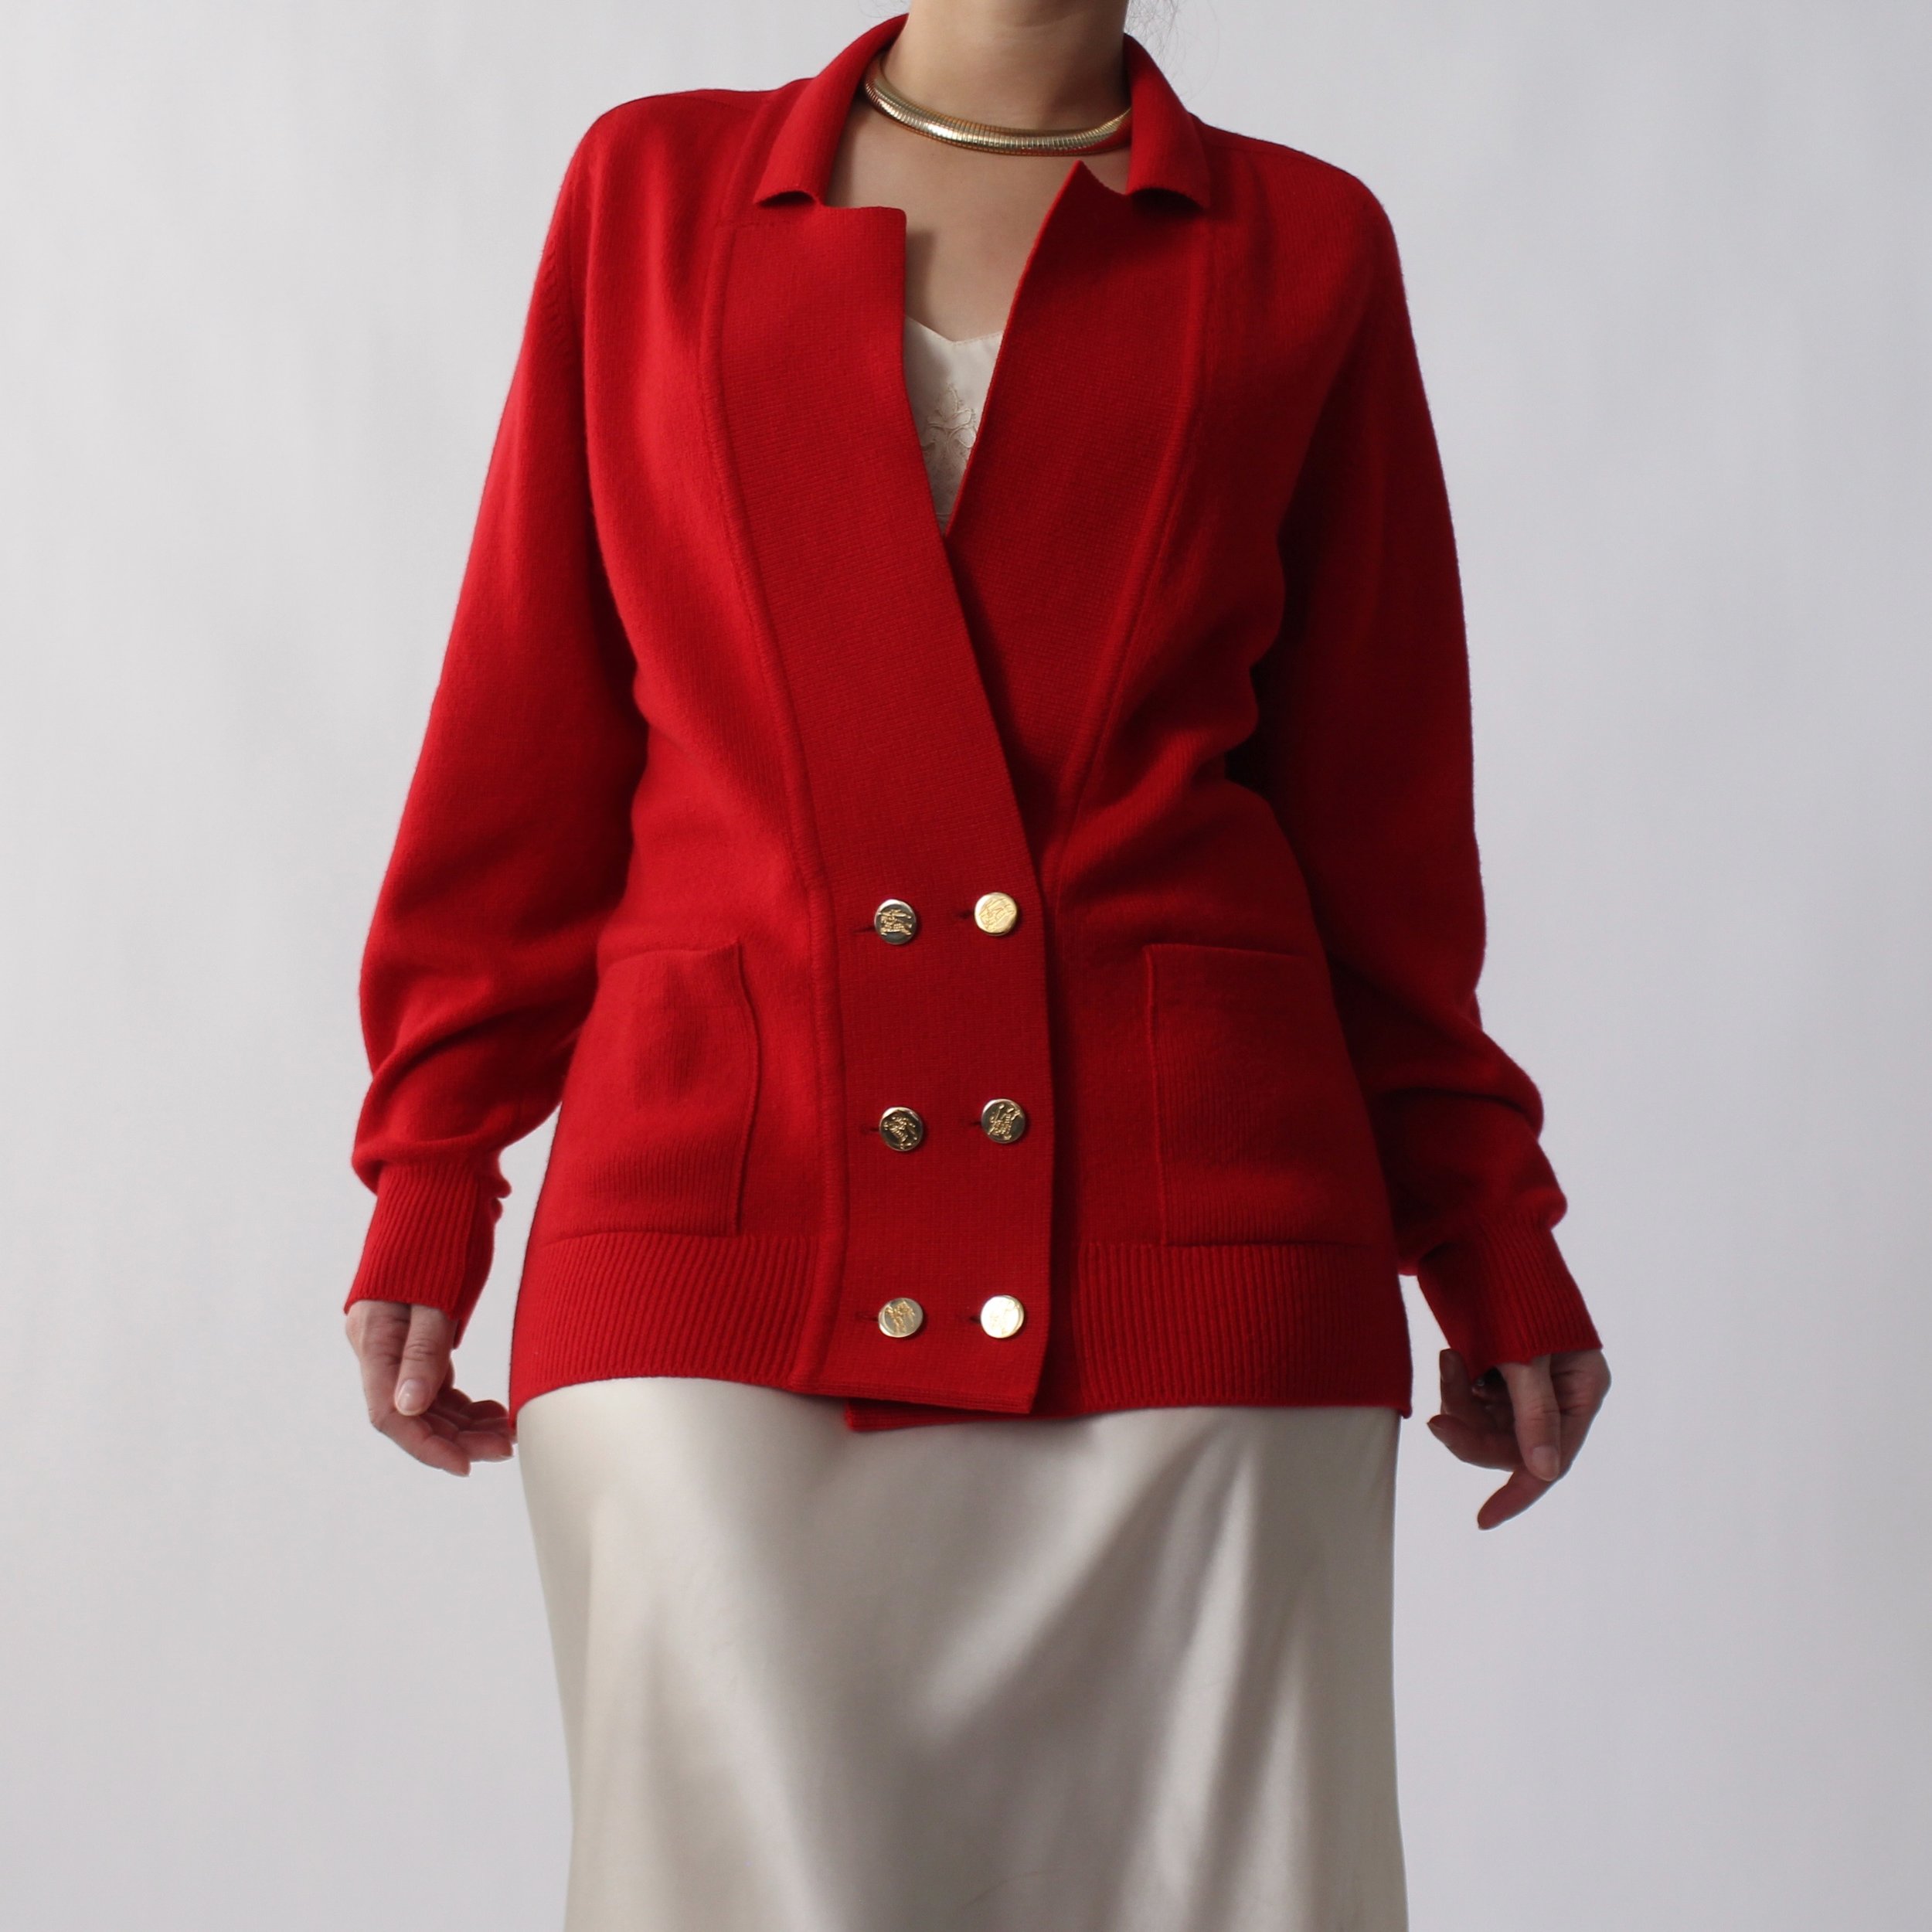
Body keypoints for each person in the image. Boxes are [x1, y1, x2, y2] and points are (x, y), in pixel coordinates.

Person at [342, 5, 1611, 1927]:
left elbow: (1376, 821)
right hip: (720, 1226)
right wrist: (434, 1162)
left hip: (1196, 1260)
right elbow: (527, 732)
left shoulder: (1303, 245)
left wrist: (1483, 1222)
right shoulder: (649, 191)